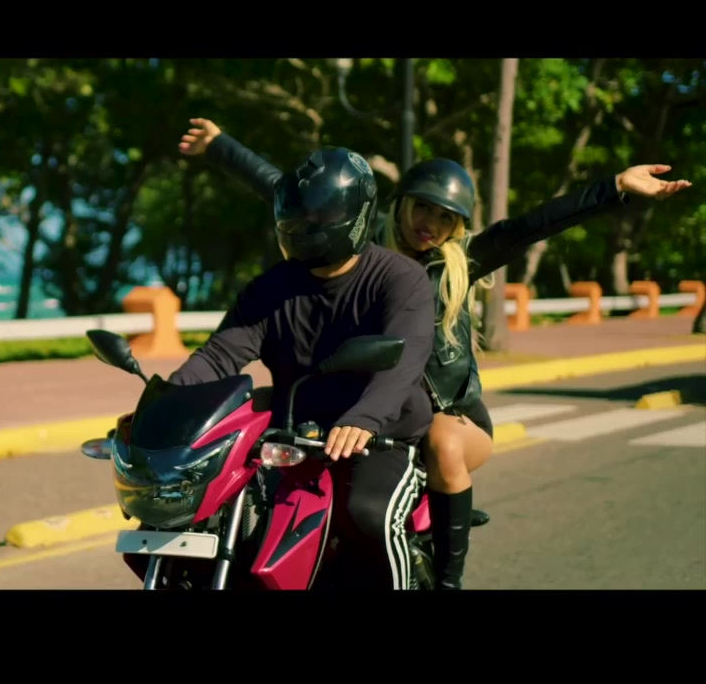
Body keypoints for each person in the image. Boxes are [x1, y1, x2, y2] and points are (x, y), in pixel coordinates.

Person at [178, 117, 693, 589]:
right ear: (397, 204)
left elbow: (531, 226)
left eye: (445, 217)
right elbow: (294, 194)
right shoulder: (349, 244)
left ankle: (448, 579)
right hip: (359, 400)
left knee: (442, 444)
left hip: (439, 410)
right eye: (422, 207)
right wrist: (221, 146)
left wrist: (614, 189)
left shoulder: (456, 264)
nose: (430, 223)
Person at [162, 143, 438, 591]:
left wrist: (364, 418)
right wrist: (167, 403)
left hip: (380, 436)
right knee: (227, 517)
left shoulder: (399, 279)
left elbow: (404, 360)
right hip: (294, 433)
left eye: (316, 223)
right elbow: (218, 357)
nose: (303, 231)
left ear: (353, 220)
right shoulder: (271, 289)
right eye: (296, 223)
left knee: (368, 515)